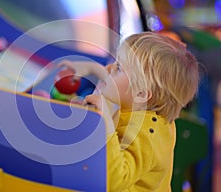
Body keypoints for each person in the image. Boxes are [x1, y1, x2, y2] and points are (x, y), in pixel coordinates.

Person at [59, 32, 200, 191]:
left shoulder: (147, 134)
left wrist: (106, 125)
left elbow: (114, 181)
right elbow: (115, 79)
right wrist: (91, 68)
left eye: (118, 67)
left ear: (141, 93)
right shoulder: (140, 108)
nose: (109, 68)